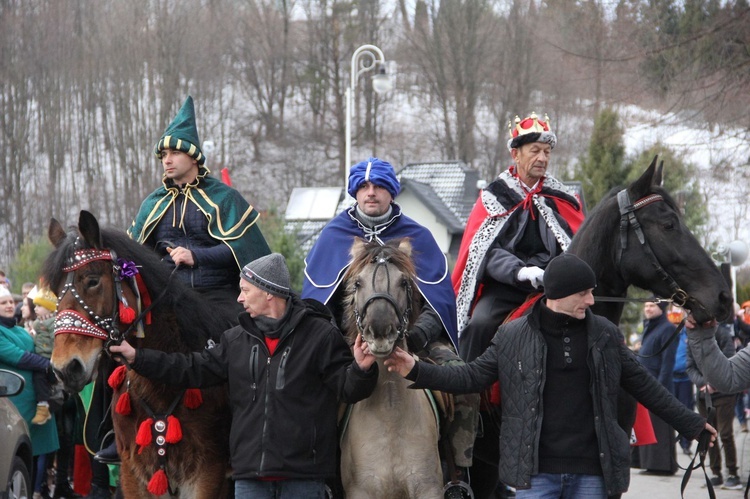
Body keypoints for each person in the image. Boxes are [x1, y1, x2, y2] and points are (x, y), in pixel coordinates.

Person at [384, 253, 715, 499]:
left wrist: (693, 424)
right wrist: (415, 369)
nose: (591, 299)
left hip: (592, 475)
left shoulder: (605, 335)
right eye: (584, 293)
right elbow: (470, 378)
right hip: (535, 477)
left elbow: (645, 386)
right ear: (558, 294)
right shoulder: (512, 335)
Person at [110, 253, 378, 498]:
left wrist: (361, 370)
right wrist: (138, 357)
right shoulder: (236, 339)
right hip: (251, 478)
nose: (239, 298)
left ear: (269, 293)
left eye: (246, 291)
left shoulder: (320, 336)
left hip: (304, 478)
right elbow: (190, 368)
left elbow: (348, 389)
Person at [302, 157, 479, 485]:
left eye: (379, 186)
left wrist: (418, 338)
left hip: (415, 342)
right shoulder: (334, 236)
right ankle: (322, 476)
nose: (371, 193)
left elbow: (437, 302)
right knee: (311, 388)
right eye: (364, 186)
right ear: (355, 192)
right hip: (350, 343)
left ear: (392, 192)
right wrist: (339, 343)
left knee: (462, 380)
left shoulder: (417, 236)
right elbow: (317, 306)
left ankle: (459, 473)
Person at [452, 112, 585, 364]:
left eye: (546, 152)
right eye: (535, 151)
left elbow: (576, 247)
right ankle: (465, 394)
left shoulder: (562, 198)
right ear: (516, 154)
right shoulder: (494, 197)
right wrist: (520, 272)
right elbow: (482, 252)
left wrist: (556, 274)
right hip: (505, 287)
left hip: (553, 287)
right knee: (479, 325)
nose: (542, 158)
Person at [128, 95, 271, 312]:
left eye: (175, 153)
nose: (167, 160)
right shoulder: (152, 204)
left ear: (194, 157)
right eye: (164, 155)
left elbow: (241, 250)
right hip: (168, 296)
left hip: (219, 294)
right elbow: (138, 255)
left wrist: (195, 256)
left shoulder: (224, 197)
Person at [0, 286, 60, 499]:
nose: (8, 306)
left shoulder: (19, 329)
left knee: (39, 451)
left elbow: (37, 349)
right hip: (14, 400)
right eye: (2, 303)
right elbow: (18, 356)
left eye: (10, 302)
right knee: (18, 455)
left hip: (38, 399)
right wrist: (48, 364)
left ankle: (37, 490)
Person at [686, 321, 743, 490]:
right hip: (703, 395)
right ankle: (715, 472)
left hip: (724, 394)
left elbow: (729, 360)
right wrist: (703, 384)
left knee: (725, 433)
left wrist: (715, 383)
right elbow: (690, 367)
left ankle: (733, 473)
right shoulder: (692, 339)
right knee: (708, 434)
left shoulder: (723, 334)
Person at [636, 298, 679, 475]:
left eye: (652, 305)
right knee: (649, 425)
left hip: (658, 385)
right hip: (646, 384)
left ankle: (662, 466)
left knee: (659, 427)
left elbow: (667, 363)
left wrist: (659, 389)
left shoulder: (667, 328)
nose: (648, 309)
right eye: (646, 306)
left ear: (660, 308)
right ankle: (650, 463)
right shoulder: (650, 326)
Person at [29, 285, 59, 425]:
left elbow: (56, 342)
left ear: (49, 308)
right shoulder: (37, 323)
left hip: (49, 358)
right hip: (40, 357)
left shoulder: (53, 324)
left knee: (41, 378)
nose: (35, 309)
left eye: (39, 306)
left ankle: (44, 407)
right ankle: (44, 406)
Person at [670, 305, 694, 456]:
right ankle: (672, 443)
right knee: (670, 411)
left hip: (685, 378)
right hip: (670, 378)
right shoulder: (669, 333)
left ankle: (686, 443)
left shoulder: (688, 333)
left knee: (685, 410)